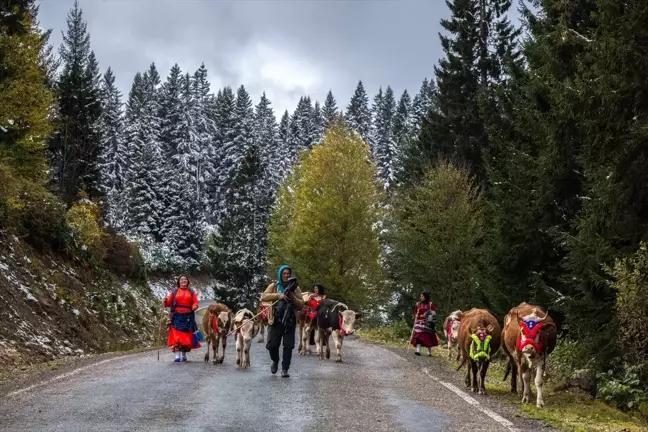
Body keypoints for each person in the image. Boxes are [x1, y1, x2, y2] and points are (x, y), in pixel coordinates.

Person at [260, 265, 304, 377]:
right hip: (275, 319)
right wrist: (278, 296)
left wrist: (292, 297)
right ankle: (275, 360)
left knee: (288, 346)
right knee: (272, 345)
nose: (286, 275)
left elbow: (301, 304)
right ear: (280, 274)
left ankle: (285, 369)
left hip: (290, 320)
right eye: (284, 273)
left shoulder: (296, 288)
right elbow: (263, 297)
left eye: (288, 274)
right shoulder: (274, 286)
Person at [164, 275, 200, 362]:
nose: (184, 281)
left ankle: (184, 355)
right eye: (182, 279)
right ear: (179, 282)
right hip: (176, 316)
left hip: (188, 316)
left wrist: (194, 306)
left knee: (186, 336)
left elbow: (195, 302)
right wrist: (165, 301)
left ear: (188, 282)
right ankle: (177, 355)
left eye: (185, 279)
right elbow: (168, 303)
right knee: (177, 337)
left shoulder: (191, 292)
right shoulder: (174, 291)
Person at [410, 291, 438, 356]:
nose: (421, 297)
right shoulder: (418, 304)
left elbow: (434, 313)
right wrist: (418, 316)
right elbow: (415, 313)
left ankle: (429, 352)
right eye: (420, 296)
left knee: (428, 337)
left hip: (428, 323)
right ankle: (418, 351)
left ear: (426, 297)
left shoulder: (430, 304)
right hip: (419, 323)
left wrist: (427, 315)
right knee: (418, 336)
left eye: (422, 296)